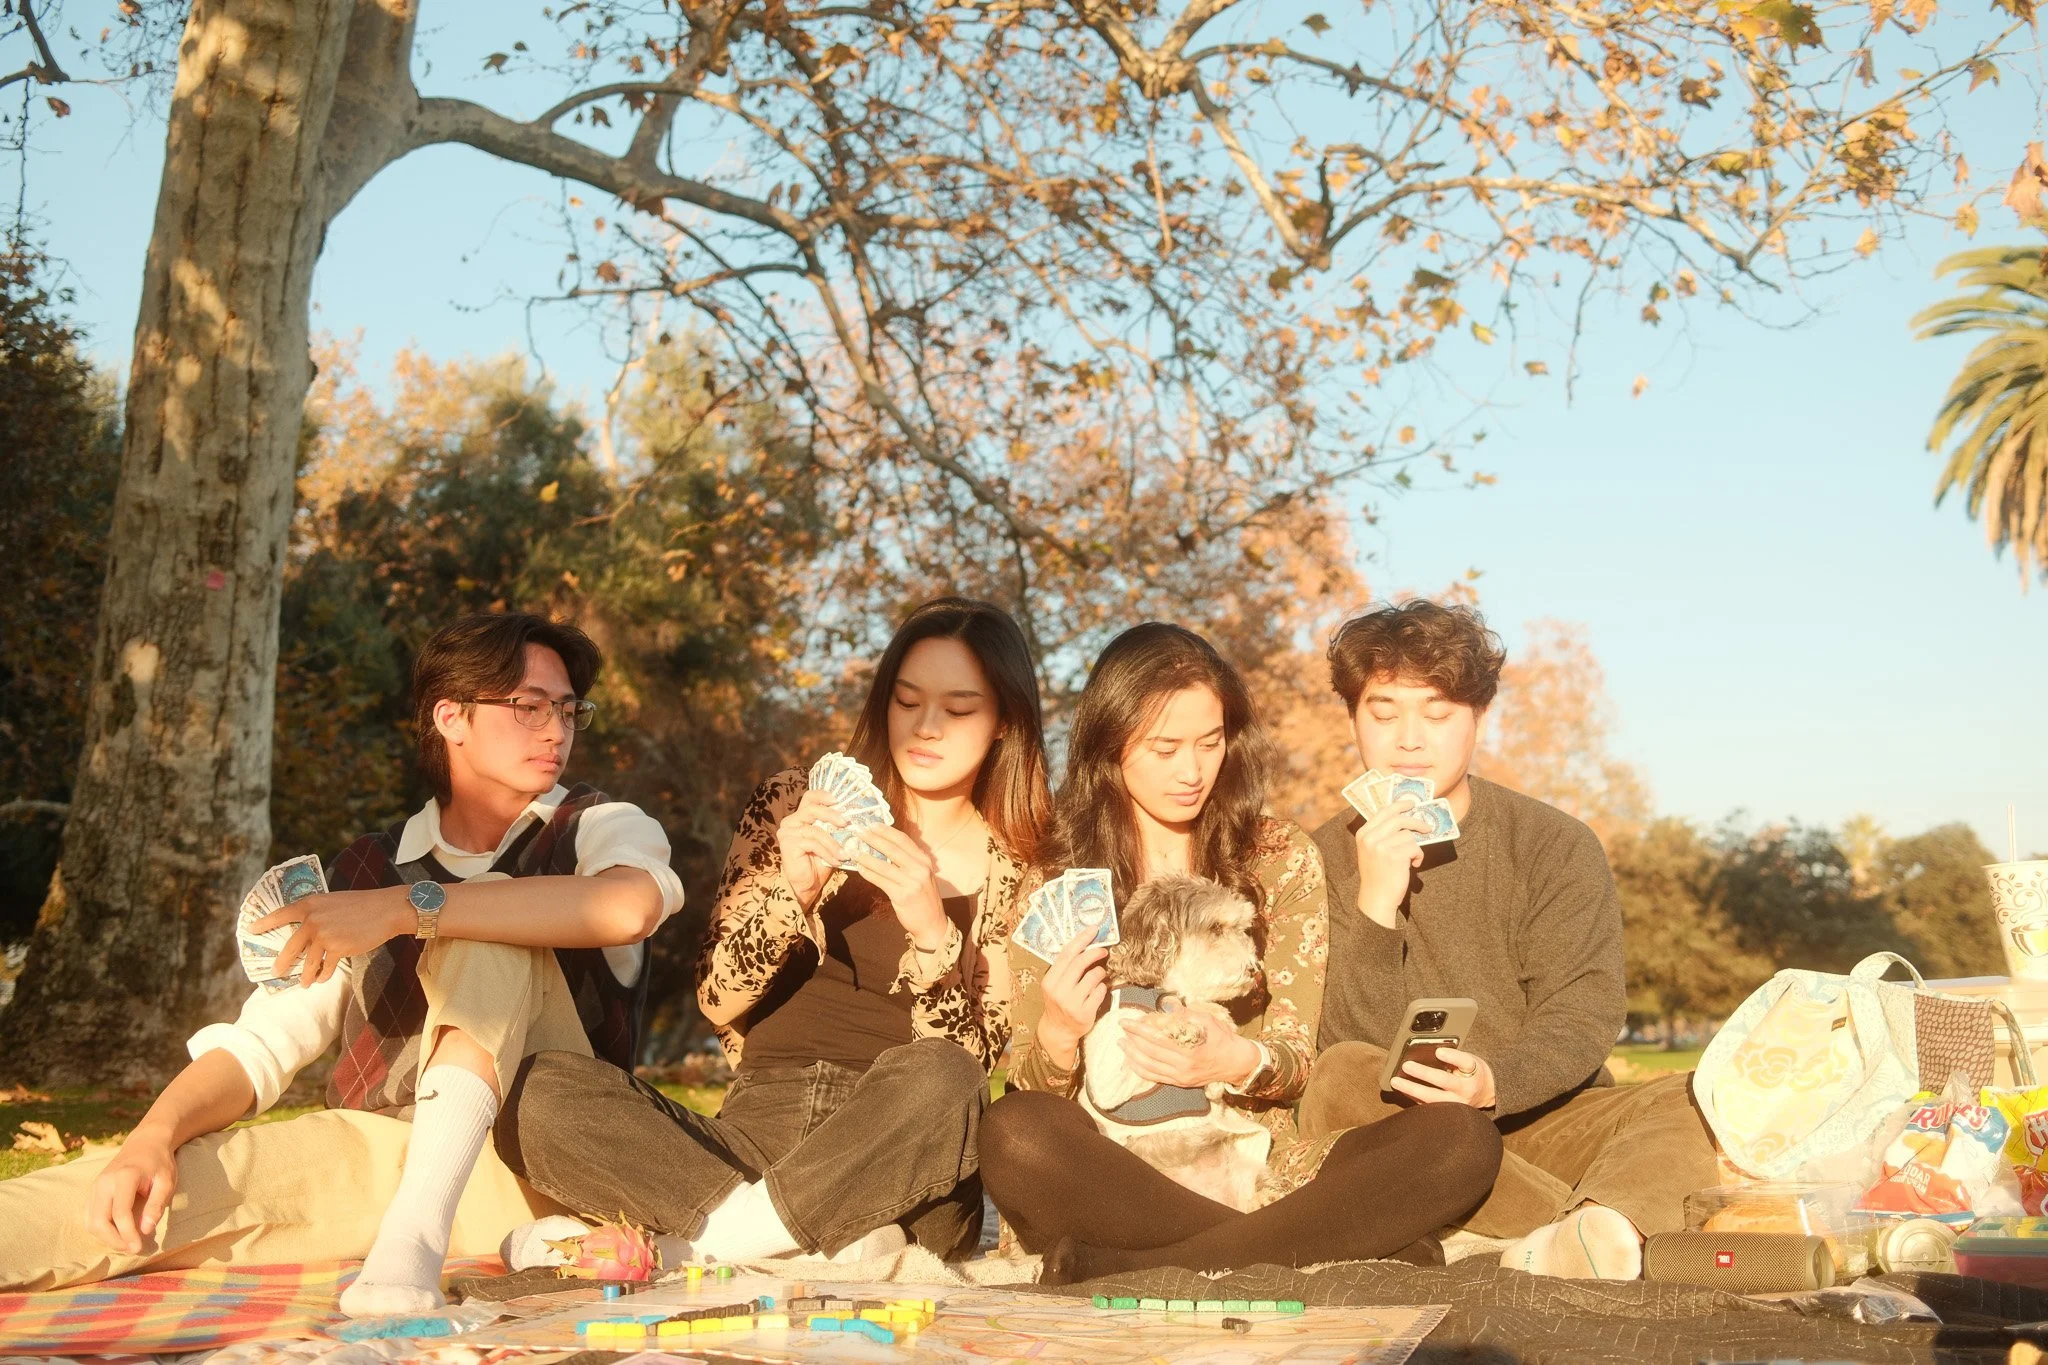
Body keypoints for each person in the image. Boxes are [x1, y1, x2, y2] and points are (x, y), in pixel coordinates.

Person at [0, 613, 684, 1308]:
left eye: (568, 710)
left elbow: (628, 907)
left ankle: (411, 1246)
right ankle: (405, 1230)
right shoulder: (364, 869)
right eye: (529, 706)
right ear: (451, 716)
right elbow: (261, 1045)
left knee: (483, 909)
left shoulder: (600, 825)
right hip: (378, 1154)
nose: (555, 729)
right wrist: (154, 1133)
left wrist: (405, 908)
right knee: (132, 1194)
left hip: (545, 1170)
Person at [492, 597, 1053, 1264]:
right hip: (752, 1135)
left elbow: (974, 1069)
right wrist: (795, 891)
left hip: (899, 1166)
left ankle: (702, 1246)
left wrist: (933, 932)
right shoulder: (793, 803)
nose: (926, 727)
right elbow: (718, 997)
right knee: (534, 1088)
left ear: (1002, 723)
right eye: (906, 702)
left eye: (958, 709)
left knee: (943, 1076)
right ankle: (771, 1240)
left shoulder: (1022, 870)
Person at [980, 622, 1501, 1284]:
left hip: (1255, 1163)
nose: (1192, 770)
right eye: (1165, 747)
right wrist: (1058, 1034)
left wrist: (1234, 1059)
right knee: (1016, 1130)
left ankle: (1144, 1264)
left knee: (1459, 1140)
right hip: (1114, 1168)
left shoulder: (1278, 856)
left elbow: (1299, 1059)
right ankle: (1305, 1249)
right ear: (1111, 743)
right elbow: (1034, 1090)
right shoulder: (1054, 878)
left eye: (1210, 741)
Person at [1300, 600, 1721, 1280]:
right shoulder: (1316, 859)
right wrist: (1376, 903)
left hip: (1544, 1116)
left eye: (1437, 714)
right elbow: (1346, 1045)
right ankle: (1590, 1232)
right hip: (1402, 1134)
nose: (1410, 739)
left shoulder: (1554, 844)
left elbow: (1584, 1011)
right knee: (1340, 1075)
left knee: (1699, 1097)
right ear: (1353, 718)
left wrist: (1495, 1082)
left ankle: (1564, 1228)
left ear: (1479, 719)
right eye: (1384, 713)